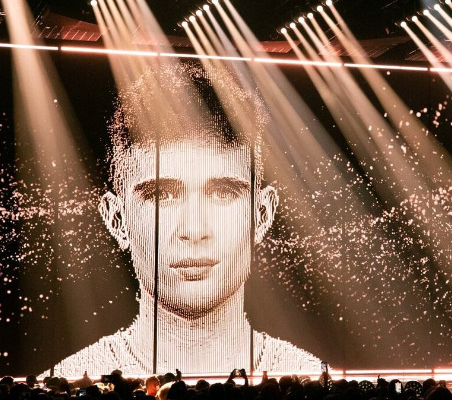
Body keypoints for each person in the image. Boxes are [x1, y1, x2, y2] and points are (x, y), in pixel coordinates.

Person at [47, 62, 321, 376]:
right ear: (117, 219)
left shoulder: (309, 374)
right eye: (161, 195)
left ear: (262, 215)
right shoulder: (71, 378)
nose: (193, 230)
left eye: (223, 193)